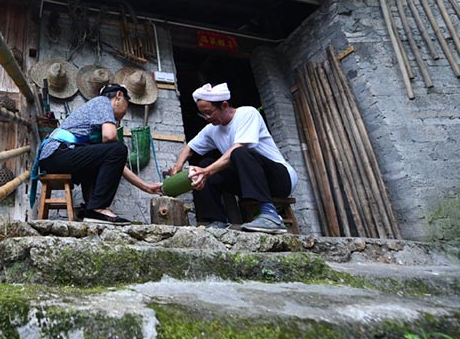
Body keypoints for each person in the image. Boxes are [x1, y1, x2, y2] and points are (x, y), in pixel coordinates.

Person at [168, 82, 297, 234]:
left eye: (209, 113)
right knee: (204, 163)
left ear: (224, 105)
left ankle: (271, 215)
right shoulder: (212, 129)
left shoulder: (247, 114)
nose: (207, 118)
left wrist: (206, 172)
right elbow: (189, 148)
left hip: (280, 179)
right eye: (203, 114)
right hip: (248, 182)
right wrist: (178, 167)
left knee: (239, 153)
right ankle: (215, 221)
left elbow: (238, 148)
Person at [36, 83, 163, 225]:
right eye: (126, 108)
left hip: (55, 158)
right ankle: (97, 208)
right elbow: (110, 136)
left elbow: (117, 165)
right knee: (118, 149)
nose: (123, 115)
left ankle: (91, 209)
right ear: (118, 96)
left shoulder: (96, 127)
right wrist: (114, 142)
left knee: (109, 155)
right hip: (56, 153)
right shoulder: (102, 102)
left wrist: (145, 186)